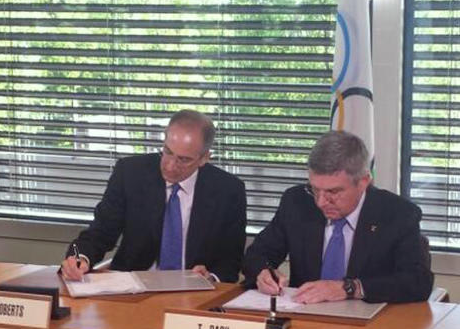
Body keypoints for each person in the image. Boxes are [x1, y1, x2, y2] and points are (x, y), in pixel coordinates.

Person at [242, 131, 432, 304]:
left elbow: (417, 281)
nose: (321, 202)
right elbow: (256, 255)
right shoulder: (297, 202)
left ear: (364, 181)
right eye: (315, 189)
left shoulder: (397, 214)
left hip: (370, 328)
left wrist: (350, 288)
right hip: (305, 318)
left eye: (333, 191)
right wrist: (263, 273)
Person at [60, 110, 247, 283]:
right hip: (133, 290)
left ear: (205, 158)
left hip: (193, 294)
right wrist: (79, 257)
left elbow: (230, 260)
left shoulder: (228, 191)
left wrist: (211, 278)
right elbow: (99, 233)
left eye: (183, 159)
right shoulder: (130, 173)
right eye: (167, 152)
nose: (170, 166)